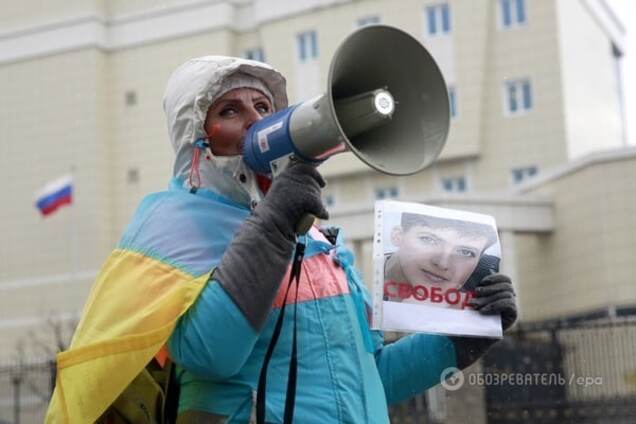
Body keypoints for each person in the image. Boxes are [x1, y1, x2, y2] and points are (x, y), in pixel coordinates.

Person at [46, 56, 517, 423]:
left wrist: (460, 338)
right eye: (231, 110)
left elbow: (371, 377)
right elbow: (212, 354)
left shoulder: (317, 241)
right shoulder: (172, 227)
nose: (255, 121)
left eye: (264, 108)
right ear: (196, 140)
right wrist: (272, 226)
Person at [384, 212, 500, 306]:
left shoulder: (478, 292)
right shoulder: (369, 285)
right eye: (428, 240)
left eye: (465, 252)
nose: (442, 263)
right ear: (398, 236)